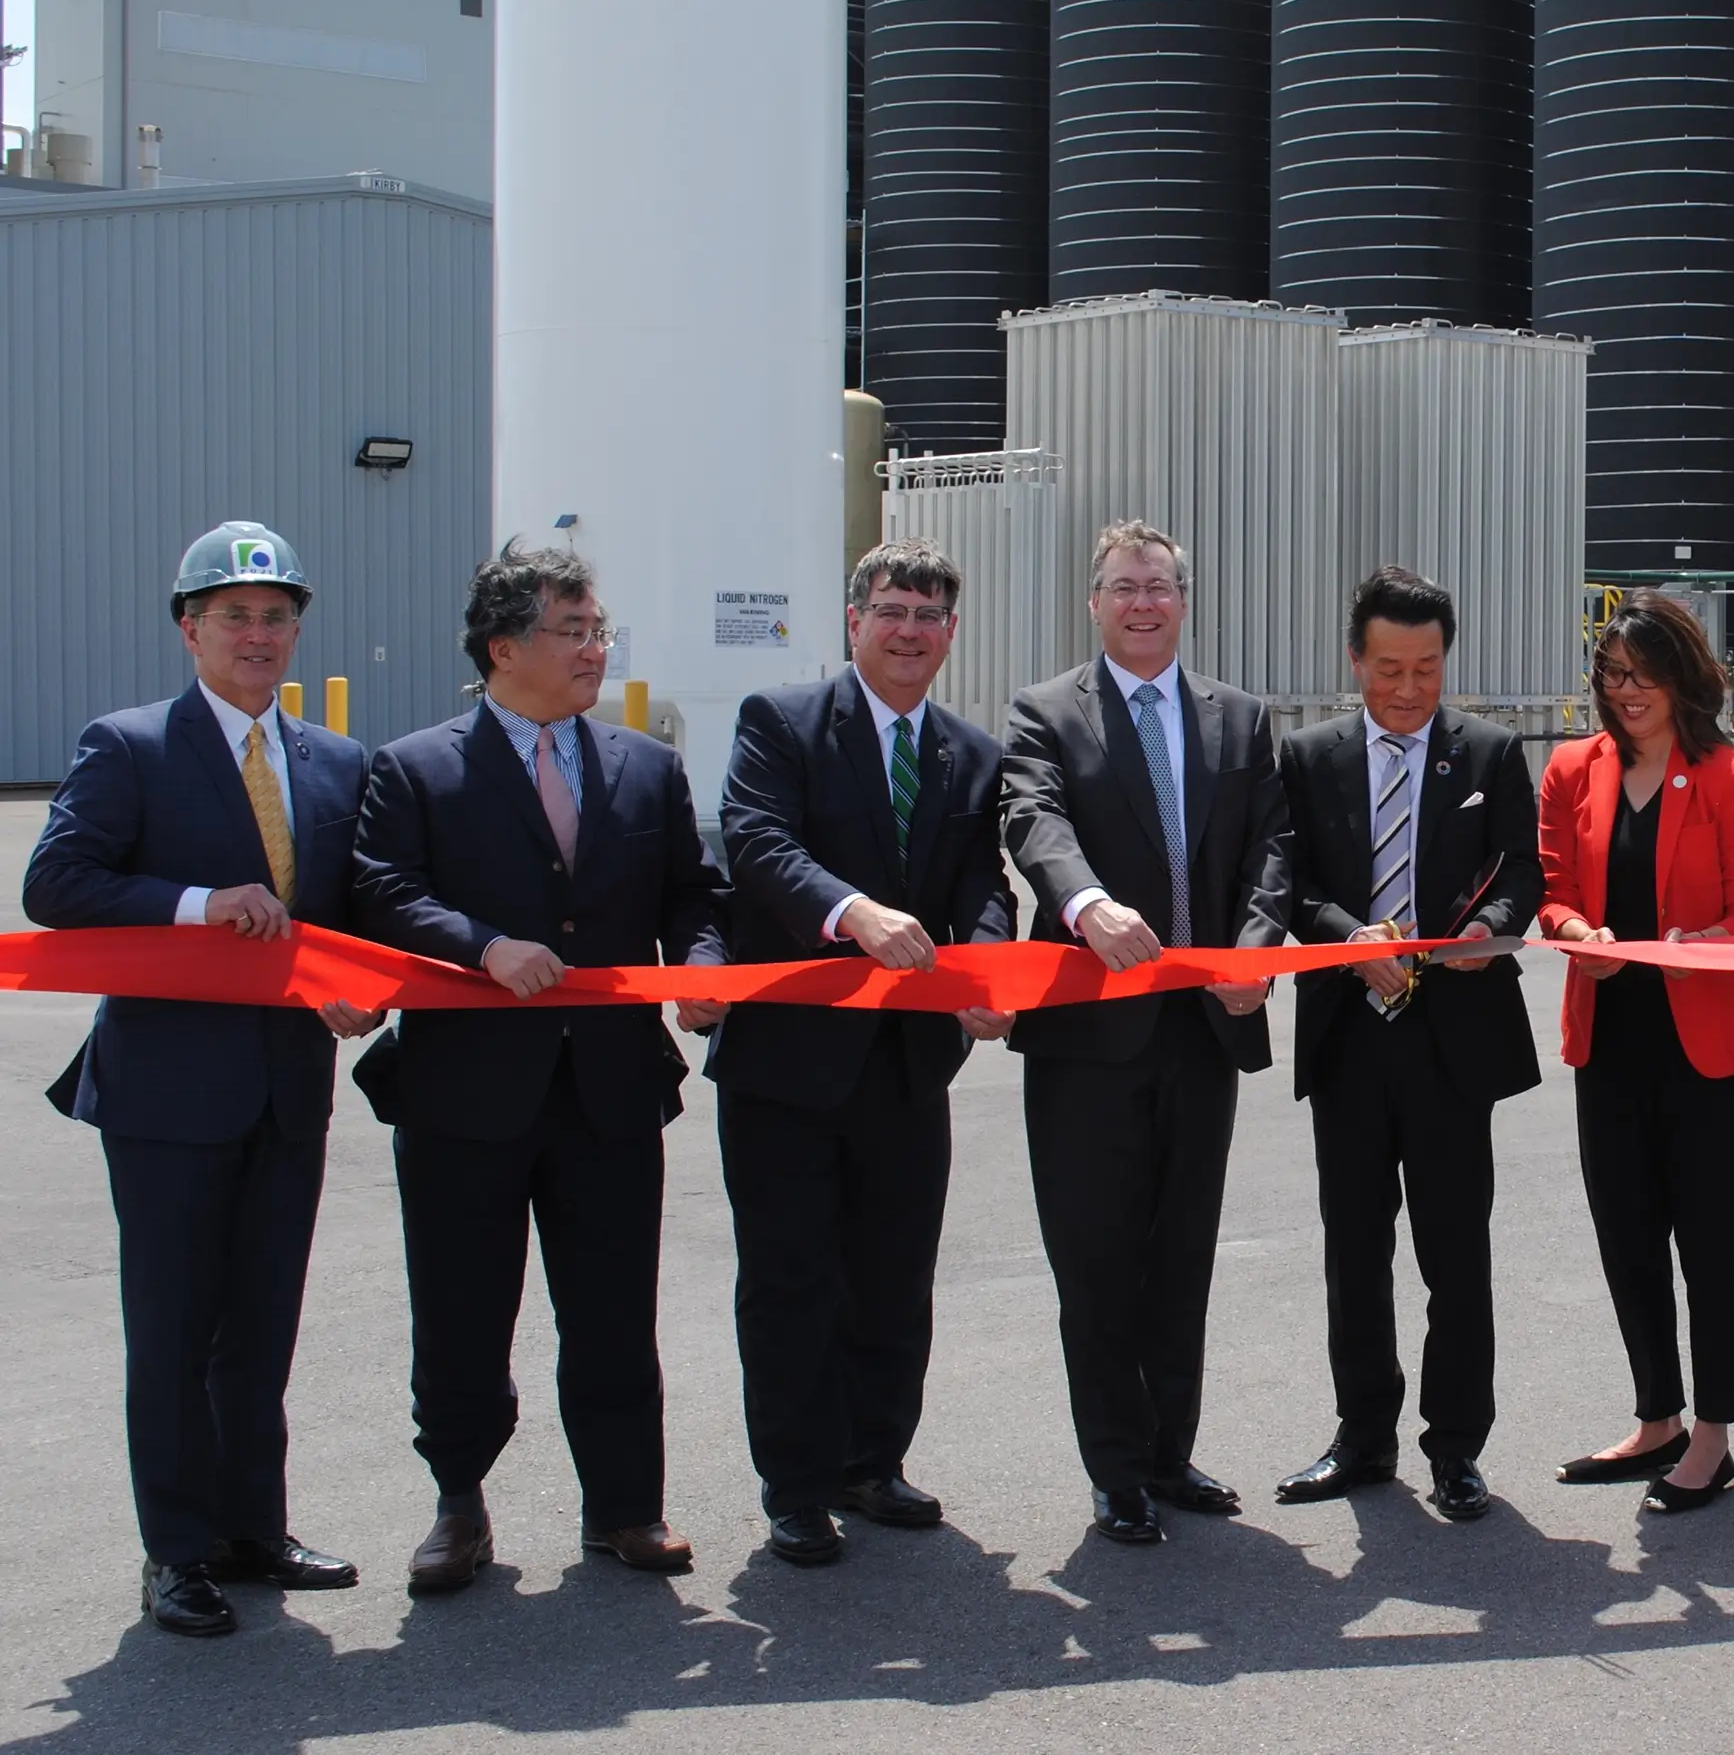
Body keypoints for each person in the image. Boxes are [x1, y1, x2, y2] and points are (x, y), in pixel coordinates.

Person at [350, 543, 728, 1592]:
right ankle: (459, 1505)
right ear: (504, 647)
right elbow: (383, 892)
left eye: (600, 630)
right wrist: (480, 944)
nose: (595, 650)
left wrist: (702, 971)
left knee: (612, 1310)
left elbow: (693, 896)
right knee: (464, 1310)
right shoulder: (417, 767)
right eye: (575, 631)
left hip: (608, 1088)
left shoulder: (644, 765)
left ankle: (624, 1510)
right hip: (463, 1093)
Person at [22, 522, 377, 1637]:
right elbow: (57, 882)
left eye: (277, 618)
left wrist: (356, 989)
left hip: (287, 1085)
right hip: (170, 1094)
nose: (259, 635)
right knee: (173, 1331)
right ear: (191, 629)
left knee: (261, 1325)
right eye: (235, 616)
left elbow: (349, 921)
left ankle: (250, 1531)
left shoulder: (335, 762)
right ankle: (175, 1552)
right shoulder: (128, 746)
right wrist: (194, 903)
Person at [704, 538, 1016, 1567]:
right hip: (787, 1067)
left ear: (951, 634)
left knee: (892, 1276)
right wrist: (853, 913)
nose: (910, 630)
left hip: (907, 1065)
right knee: (792, 1280)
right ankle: (795, 1485)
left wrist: (986, 963)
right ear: (854, 621)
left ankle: (871, 1461)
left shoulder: (970, 752)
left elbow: (984, 884)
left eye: (930, 614)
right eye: (891, 609)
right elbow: (756, 841)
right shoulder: (783, 723)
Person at [1000, 519, 1291, 1546]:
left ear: (1184, 598)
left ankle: (1172, 1452)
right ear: (1095, 603)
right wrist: (1085, 906)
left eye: (1160, 586)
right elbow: (1035, 822)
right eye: (1124, 587)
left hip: (1203, 1030)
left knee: (1182, 1256)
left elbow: (1273, 847)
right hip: (1088, 1032)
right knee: (1096, 1257)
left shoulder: (1240, 718)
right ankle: (1115, 1467)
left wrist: (1255, 947)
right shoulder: (1046, 712)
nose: (1143, 603)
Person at [1271, 567, 1541, 1522]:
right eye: (1389, 667)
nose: (1408, 688)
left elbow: (1522, 874)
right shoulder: (1306, 757)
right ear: (1355, 660)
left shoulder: (1490, 752)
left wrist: (1490, 931)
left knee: (1455, 1254)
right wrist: (1348, 938)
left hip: (1453, 1045)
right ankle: (1362, 1438)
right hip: (1349, 1038)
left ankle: (1457, 1447)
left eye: (1426, 668)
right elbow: (1287, 884)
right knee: (1355, 1252)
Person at [1539, 591, 1734, 1513]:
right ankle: (1658, 1417)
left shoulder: (1725, 773)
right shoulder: (1572, 768)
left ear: (1683, 676)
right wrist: (1575, 930)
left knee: (1712, 1247)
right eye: (1612, 675)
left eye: (1643, 675)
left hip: (1710, 1050)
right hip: (1611, 1040)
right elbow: (1553, 889)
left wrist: (1705, 943)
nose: (1626, 692)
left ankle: (1713, 1436)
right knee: (1627, 1239)